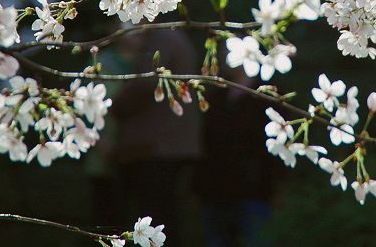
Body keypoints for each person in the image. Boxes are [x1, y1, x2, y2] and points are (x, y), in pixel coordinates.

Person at [112, 26, 203, 243]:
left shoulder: (163, 37)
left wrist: (115, 107)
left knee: (157, 214)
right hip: (166, 145)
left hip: (158, 147)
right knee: (163, 213)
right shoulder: (170, 37)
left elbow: (146, 82)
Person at [194, 68, 278, 247]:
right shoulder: (216, 96)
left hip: (254, 190)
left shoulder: (267, 97)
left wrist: (273, 186)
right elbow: (205, 143)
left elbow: (273, 151)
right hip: (215, 191)